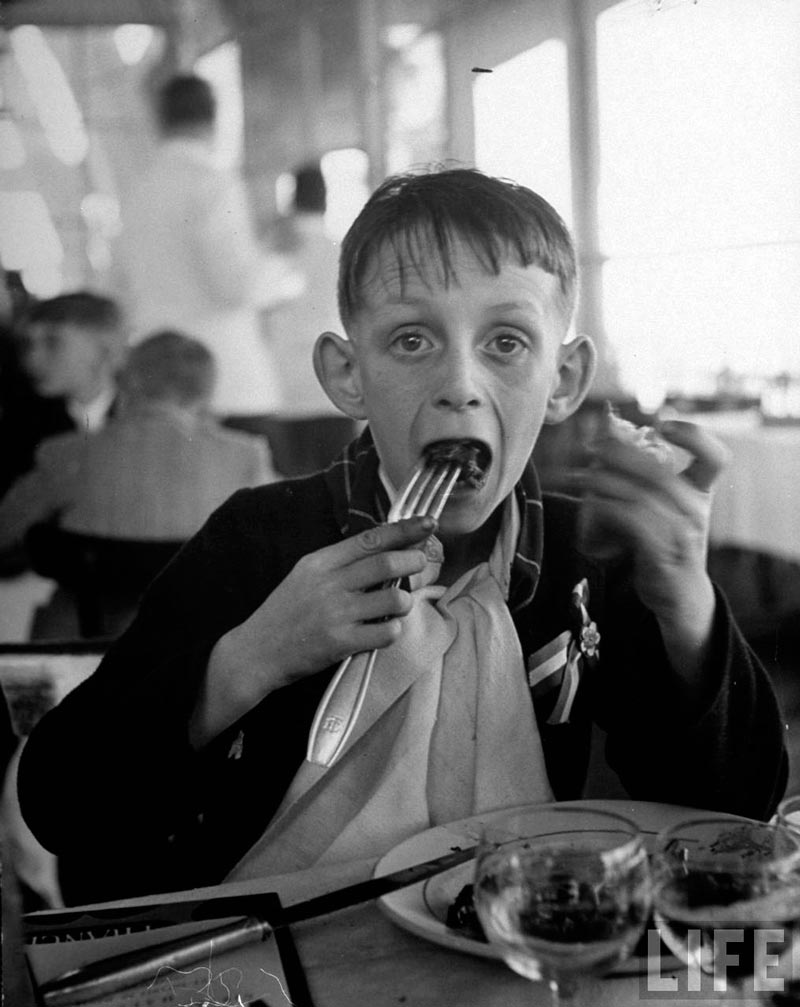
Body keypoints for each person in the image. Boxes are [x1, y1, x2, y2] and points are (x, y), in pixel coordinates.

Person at [18, 167, 787, 905]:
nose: (459, 383)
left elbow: (734, 811)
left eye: (507, 342)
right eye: (413, 340)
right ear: (348, 374)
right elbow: (60, 801)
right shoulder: (260, 539)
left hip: (507, 935)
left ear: (564, 378)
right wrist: (253, 656)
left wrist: (688, 603)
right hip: (280, 945)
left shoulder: (589, 555)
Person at [111, 74, 302, 432]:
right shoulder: (213, 183)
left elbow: (119, 284)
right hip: (222, 381)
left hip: (155, 382)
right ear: (215, 120)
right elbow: (236, 285)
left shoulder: (136, 192)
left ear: (160, 120)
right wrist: (279, 259)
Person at [0, 329, 276, 554]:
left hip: (94, 619)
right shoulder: (244, 454)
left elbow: (5, 530)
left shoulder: (64, 452)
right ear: (206, 394)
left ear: (128, 383)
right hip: (211, 620)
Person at [262, 162, 359, 476]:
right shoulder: (345, 252)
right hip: (334, 390)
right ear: (327, 198)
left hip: (282, 389)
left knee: (291, 496)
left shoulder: (272, 249)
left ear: (291, 199)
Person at [0, 291, 125, 502]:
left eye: (52, 343)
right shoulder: (21, 424)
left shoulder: (143, 414)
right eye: (28, 344)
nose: (33, 357)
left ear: (103, 350)